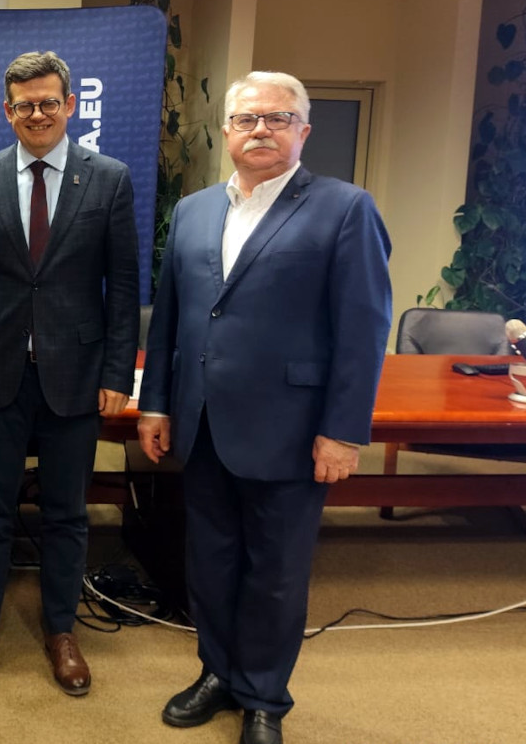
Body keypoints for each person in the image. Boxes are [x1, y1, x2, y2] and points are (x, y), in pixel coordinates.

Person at [137, 71, 392, 744]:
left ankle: (263, 698)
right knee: (210, 561)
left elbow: (363, 330)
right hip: (202, 424)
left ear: (303, 130)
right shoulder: (194, 211)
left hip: (292, 430)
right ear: (227, 132)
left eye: (277, 118)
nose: (261, 130)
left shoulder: (345, 208)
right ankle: (217, 673)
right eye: (247, 119)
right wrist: (156, 405)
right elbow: (170, 322)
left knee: (275, 572)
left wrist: (343, 430)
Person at [0, 51, 139, 697]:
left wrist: (117, 371)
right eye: (24, 104)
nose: (37, 113)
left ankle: (62, 630)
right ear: (8, 111)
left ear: (69, 105)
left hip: (75, 375)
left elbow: (124, 286)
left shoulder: (108, 179)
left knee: (66, 514)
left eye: (48, 102)